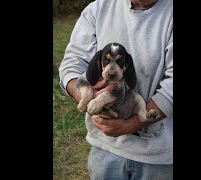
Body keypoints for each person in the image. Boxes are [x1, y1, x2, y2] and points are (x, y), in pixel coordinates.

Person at [59, 0, 173, 179]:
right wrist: (86, 93)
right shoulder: (98, 8)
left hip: (159, 154)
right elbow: (72, 64)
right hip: (105, 146)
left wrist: (132, 123)